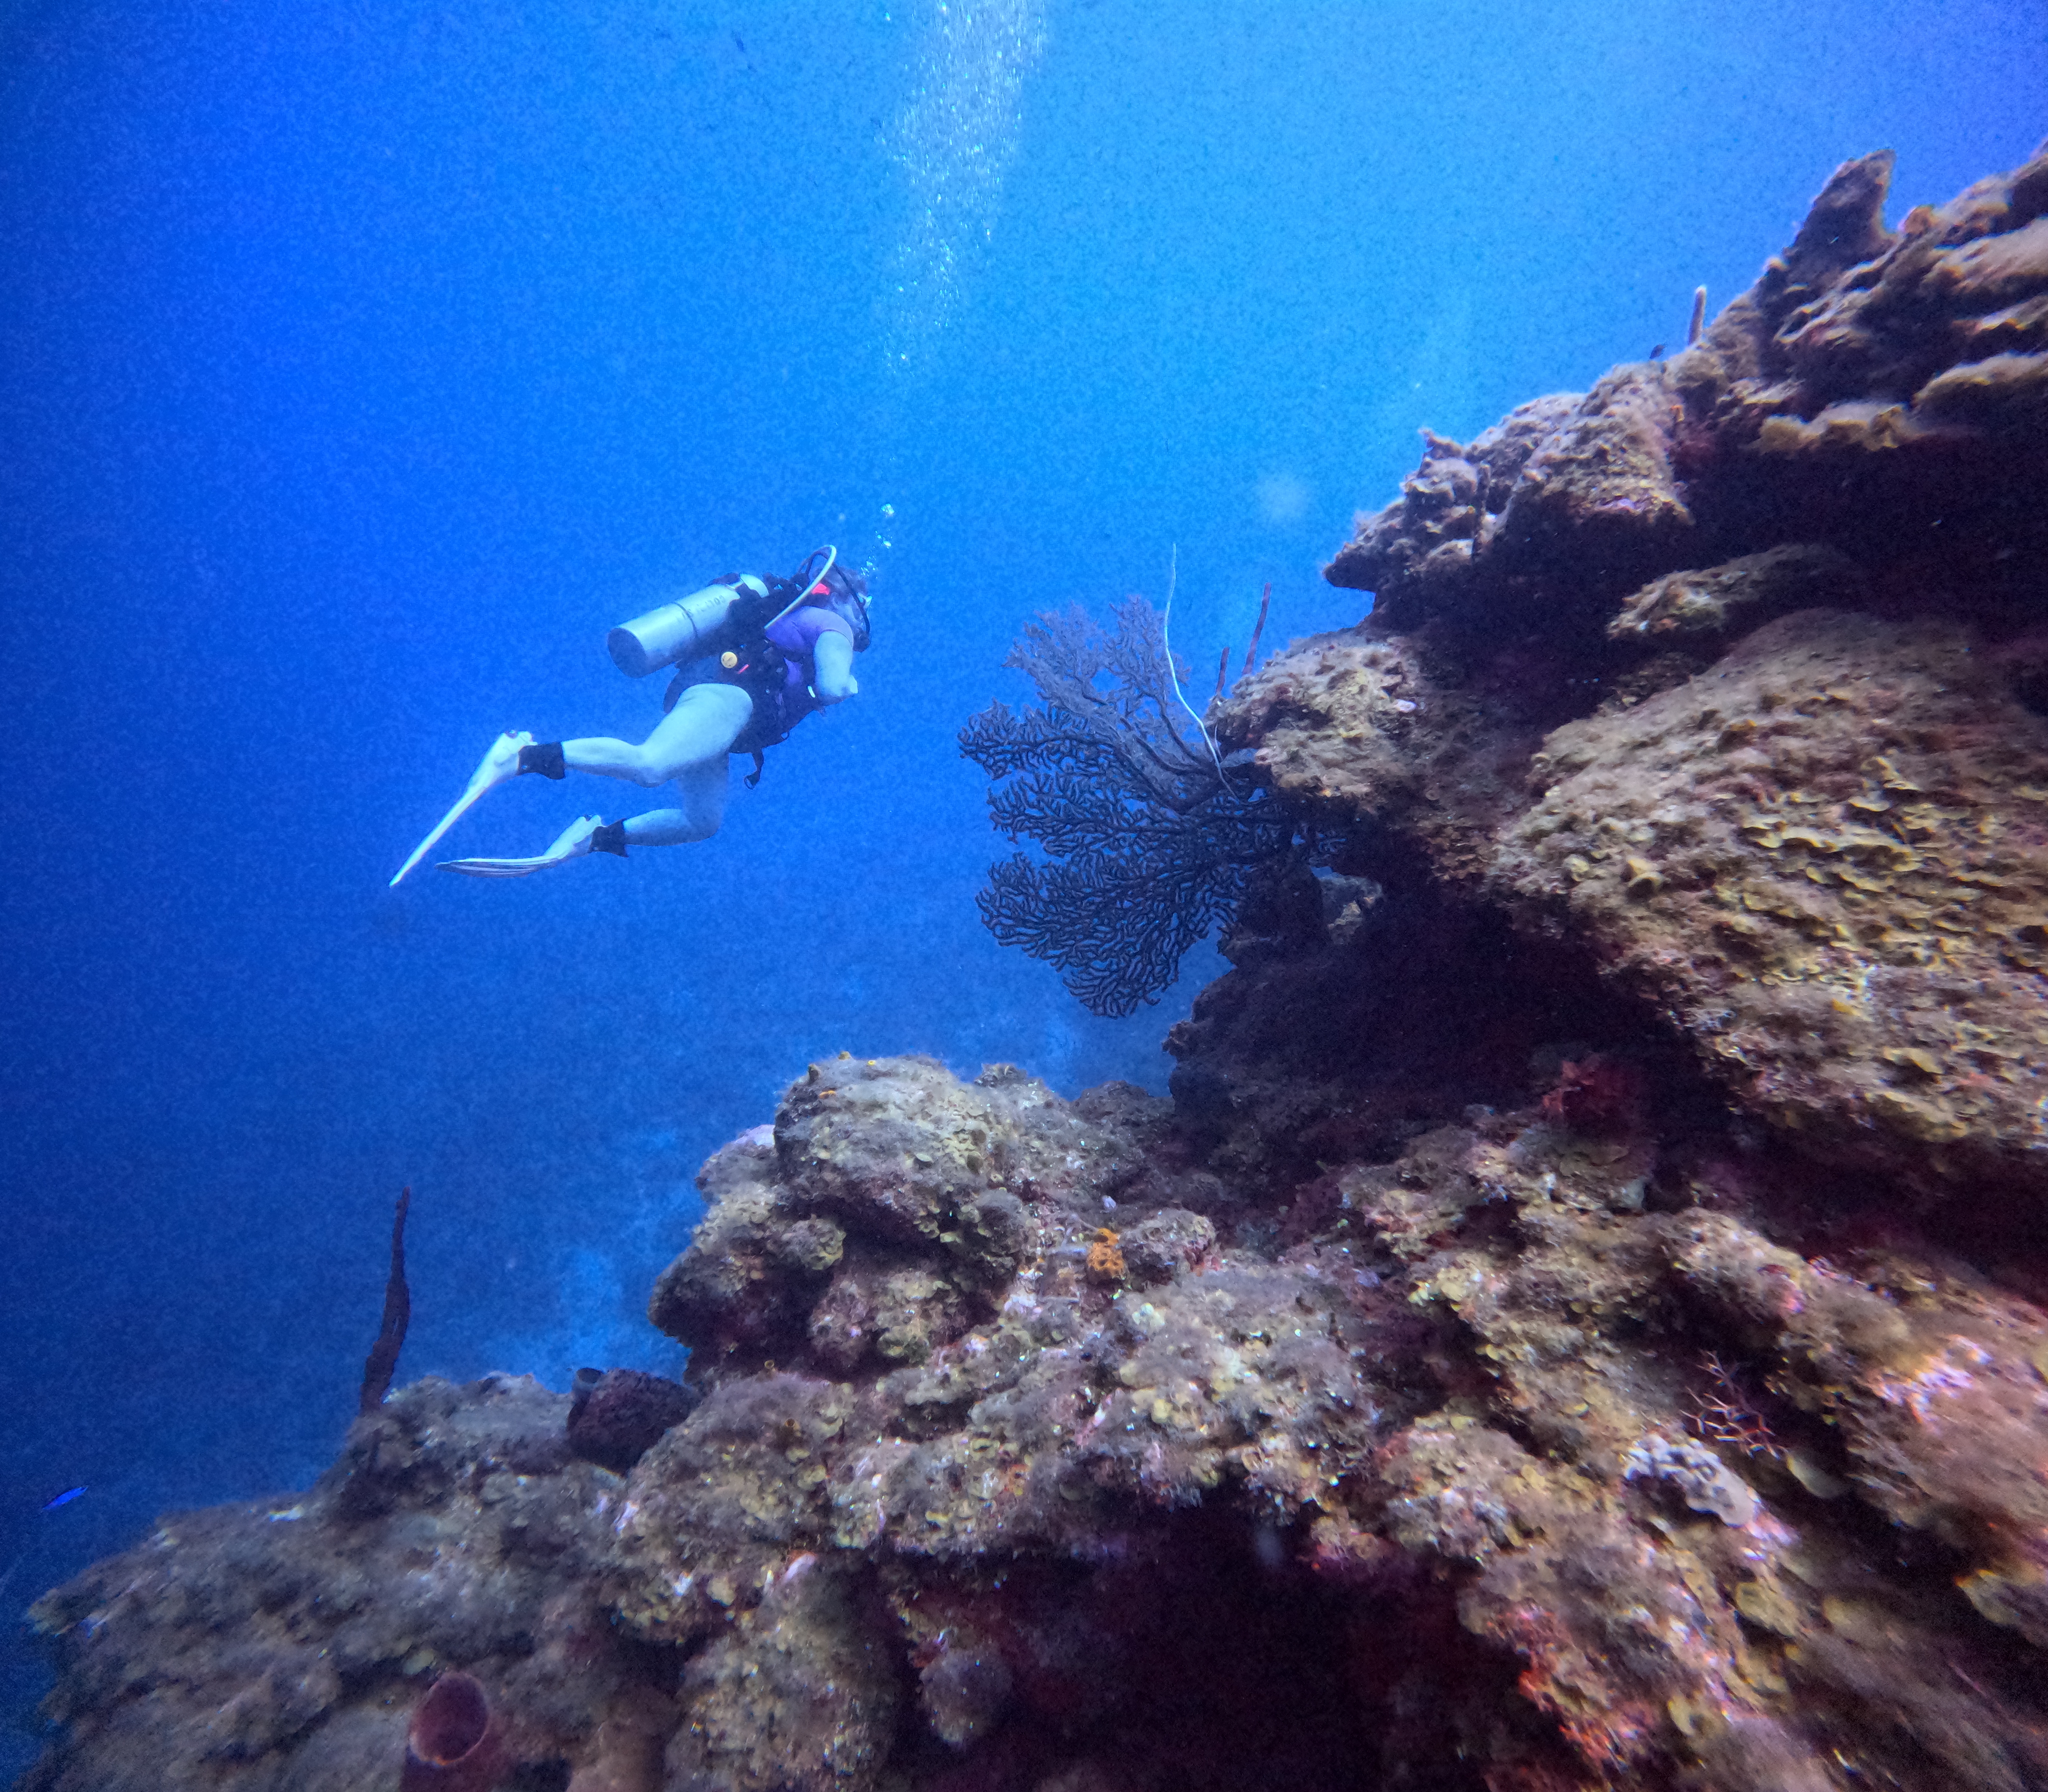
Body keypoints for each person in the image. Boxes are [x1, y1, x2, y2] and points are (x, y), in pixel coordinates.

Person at [391, 551, 870, 882]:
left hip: (729, 715)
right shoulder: (832, 624)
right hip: (728, 695)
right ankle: (522, 754)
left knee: (702, 820)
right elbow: (831, 685)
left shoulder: (801, 620)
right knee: (651, 765)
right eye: (862, 599)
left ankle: (595, 838)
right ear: (839, 596)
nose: (864, 609)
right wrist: (848, 686)